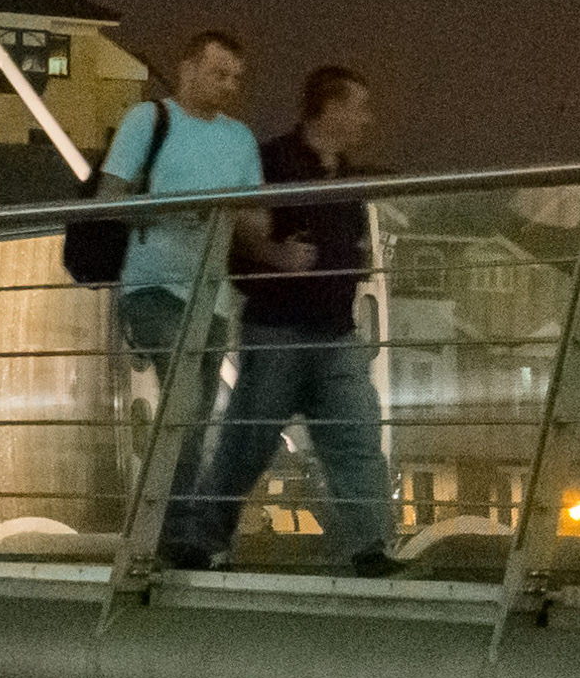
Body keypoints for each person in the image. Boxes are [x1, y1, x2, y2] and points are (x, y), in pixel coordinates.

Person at [164, 65, 404, 577]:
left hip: (335, 332)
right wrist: (277, 254)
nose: (367, 119)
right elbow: (238, 230)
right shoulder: (271, 162)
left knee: (356, 439)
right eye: (359, 107)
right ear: (331, 108)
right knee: (247, 443)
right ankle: (200, 541)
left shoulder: (344, 175)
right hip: (278, 330)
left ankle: (371, 550)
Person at [102, 31, 272, 409]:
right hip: (152, 287)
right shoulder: (148, 119)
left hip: (212, 298)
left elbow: (259, 224)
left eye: (236, 78)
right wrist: (173, 207)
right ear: (188, 70)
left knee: (195, 413)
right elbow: (108, 199)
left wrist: (224, 208)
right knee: (187, 400)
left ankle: (179, 454)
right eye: (219, 74)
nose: (230, 86)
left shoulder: (240, 138)